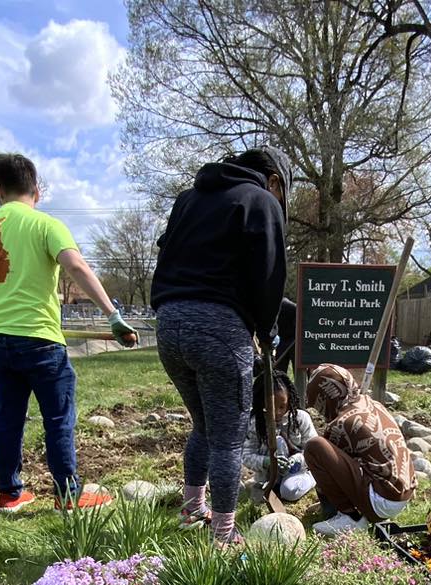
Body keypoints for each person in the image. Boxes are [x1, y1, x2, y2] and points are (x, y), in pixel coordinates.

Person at [0, 153, 137, 513]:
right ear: (36, 190)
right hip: (39, 337)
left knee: (7, 418)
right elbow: (76, 266)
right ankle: (67, 495)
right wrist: (113, 315)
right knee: (58, 418)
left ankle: (10, 493)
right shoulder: (45, 224)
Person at [151, 146, 291, 543]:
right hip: (219, 328)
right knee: (228, 437)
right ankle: (224, 535)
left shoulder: (188, 199)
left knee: (204, 424)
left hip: (169, 324)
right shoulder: (260, 200)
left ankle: (193, 509)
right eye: (284, 193)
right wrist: (266, 330)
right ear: (274, 180)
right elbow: (269, 274)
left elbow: (166, 250)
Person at [302, 364, 416, 535]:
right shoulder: (372, 404)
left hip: (382, 501)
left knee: (316, 447)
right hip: (403, 492)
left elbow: (331, 471)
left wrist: (328, 503)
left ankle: (350, 517)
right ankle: (355, 509)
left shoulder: (341, 423)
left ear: (327, 398)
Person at [242, 369, 317, 503]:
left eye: (282, 406)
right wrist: (266, 461)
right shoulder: (256, 422)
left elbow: (315, 452)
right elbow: (246, 455)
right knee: (278, 442)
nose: (277, 412)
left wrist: (297, 460)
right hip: (268, 476)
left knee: (289, 492)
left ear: (289, 400)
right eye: (271, 407)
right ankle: (273, 486)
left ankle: (311, 479)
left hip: (296, 472)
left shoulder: (301, 418)